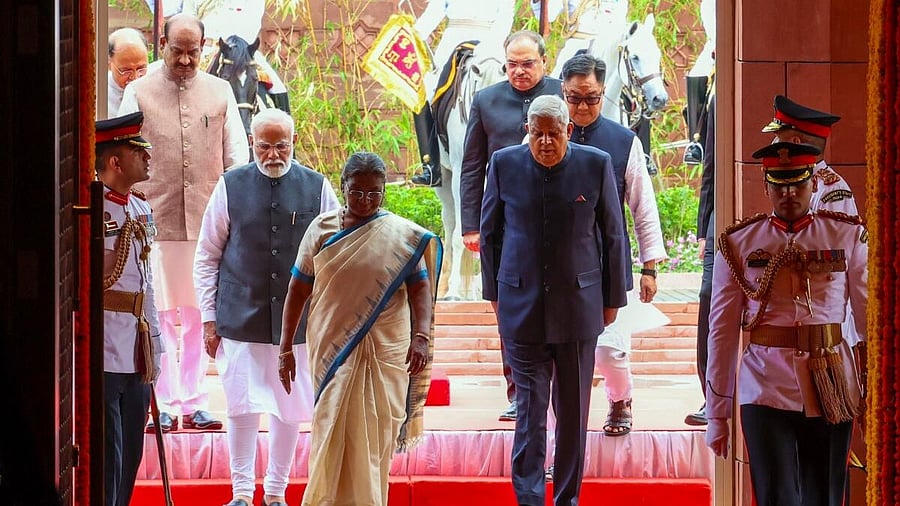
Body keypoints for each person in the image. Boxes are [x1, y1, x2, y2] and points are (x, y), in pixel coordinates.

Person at [480, 95, 628, 505]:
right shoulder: (504, 164)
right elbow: (490, 234)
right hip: (520, 306)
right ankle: (528, 498)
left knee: (573, 414)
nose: (545, 141)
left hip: (579, 309)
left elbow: (614, 236)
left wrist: (613, 298)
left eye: (553, 133)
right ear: (526, 130)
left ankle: (567, 498)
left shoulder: (594, 164)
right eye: (537, 132)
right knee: (529, 411)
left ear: (568, 131)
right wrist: (494, 294)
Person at [705, 141, 867, 505]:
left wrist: (874, 395)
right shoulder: (739, 243)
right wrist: (718, 413)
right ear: (766, 187)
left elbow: (867, 318)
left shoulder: (846, 234)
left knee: (824, 494)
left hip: (832, 381)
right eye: (779, 184)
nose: (789, 193)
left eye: (797, 183)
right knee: (776, 495)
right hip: (764, 383)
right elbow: (722, 331)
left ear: (814, 184)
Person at [278, 151, 442, 506]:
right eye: (357, 192)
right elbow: (297, 289)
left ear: (384, 192)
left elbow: (420, 287)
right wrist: (285, 347)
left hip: (387, 352)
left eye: (374, 193)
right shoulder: (321, 230)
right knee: (330, 428)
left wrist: (422, 337)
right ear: (343, 187)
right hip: (332, 349)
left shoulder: (400, 235)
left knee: (375, 439)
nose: (366, 200)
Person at [193, 109, 339, 506]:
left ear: (294, 141)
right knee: (241, 406)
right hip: (240, 316)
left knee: (289, 407)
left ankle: (276, 493)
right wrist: (208, 319)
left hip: (298, 323)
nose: (273, 154)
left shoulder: (317, 187)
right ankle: (240, 493)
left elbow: (334, 252)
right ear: (252, 143)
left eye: (282, 145)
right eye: (265, 146)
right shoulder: (230, 186)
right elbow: (207, 255)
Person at [118, 13, 248, 433]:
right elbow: (118, 155)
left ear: (204, 48)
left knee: (197, 316)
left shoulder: (221, 91)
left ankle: (194, 400)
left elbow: (237, 160)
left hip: (207, 223)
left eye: (195, 52)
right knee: (157, 315)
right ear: (162, 45)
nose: (187, 61)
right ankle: (163, 402)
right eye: (179, 51)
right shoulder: (138, 91)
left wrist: (237, 216)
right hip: (150, 221)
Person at [560, 54, 668, 436]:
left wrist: (650, 266)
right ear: (563, 92)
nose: (583, 107)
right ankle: (565, 429)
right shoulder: (546, 135)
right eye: (575, 99)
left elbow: (643, 206)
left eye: (591, 98)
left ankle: (620, 398)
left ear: (603, 92)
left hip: (608, 262)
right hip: (557, 266)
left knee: (608, 350)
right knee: (562, 354)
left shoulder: (624, 141)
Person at [459, 30, 564, 421]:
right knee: (510, 309)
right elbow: (472, 167)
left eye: (528, 64)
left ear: (543, 62)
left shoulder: (561, 93)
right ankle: (518, 390)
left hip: (558, 215)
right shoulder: (487, 100)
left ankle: (556, 386)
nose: (520, 72)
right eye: (512, 65)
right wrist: (471, 224)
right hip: (504, 221)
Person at [95, 112, 163, 506]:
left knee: (132, 451)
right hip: (105, 343)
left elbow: (147, 284)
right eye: (139, 152)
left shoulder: (140, 209)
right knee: (110, 452)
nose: (147, 158)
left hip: (137, 346)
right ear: (117, 162)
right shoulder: (95, 209)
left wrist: (155, 344)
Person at [685, 91, 715, 426]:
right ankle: (711, 394)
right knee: (708, 296)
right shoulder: (716, 93)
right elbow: (710, 167)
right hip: (718, 210)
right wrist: (704, 229)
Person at [106, 28, 149, 118]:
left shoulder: (155, 84)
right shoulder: (98, 94)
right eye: (126, 71)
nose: (135, 77)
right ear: (109, 63)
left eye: (141, 68)